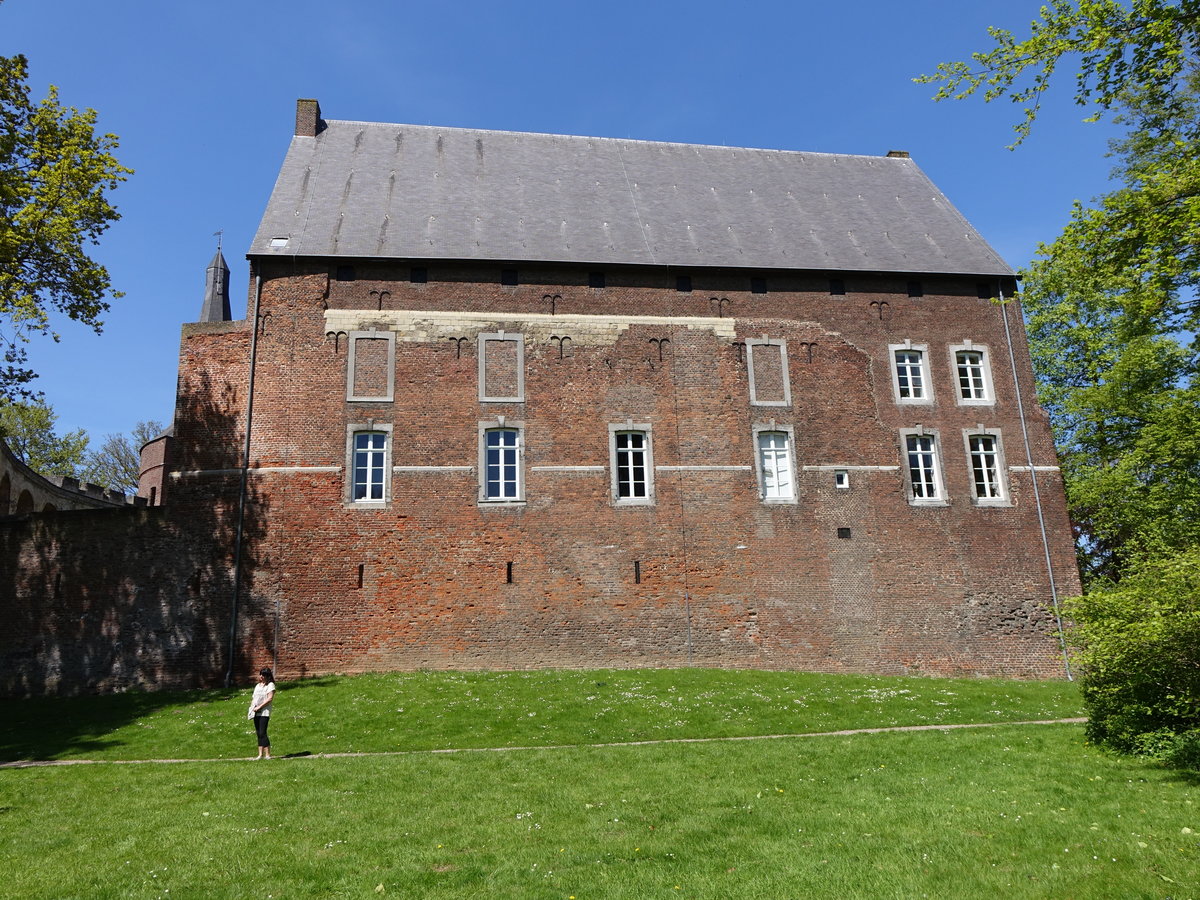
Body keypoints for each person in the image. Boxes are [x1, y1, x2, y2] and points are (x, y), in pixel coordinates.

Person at [249, 667, 276, 759]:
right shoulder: (257, 686)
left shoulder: (270, 685)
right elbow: (254, 698)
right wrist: (252, 708)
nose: (261, 676)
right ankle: (260, 754)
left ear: (268, 676)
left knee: (263, 732)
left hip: (264, 712)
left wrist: (260, 707)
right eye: (260, 674)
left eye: (263, 675)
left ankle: (268, 754)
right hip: (256, 711)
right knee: (258, 733)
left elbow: (269, 698)